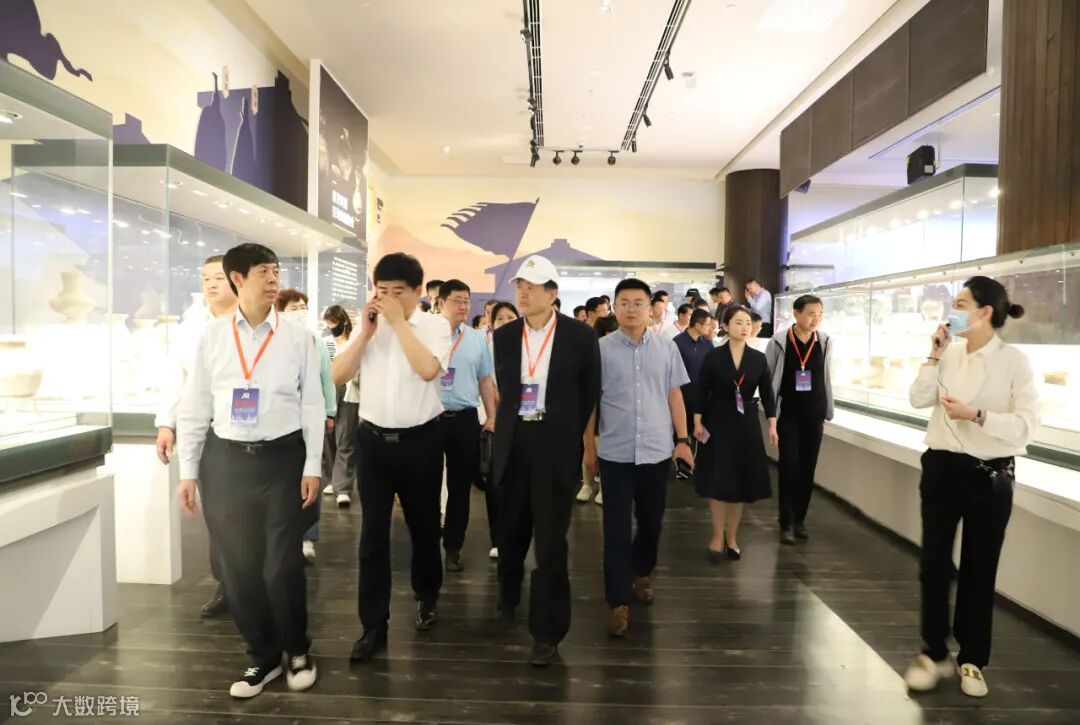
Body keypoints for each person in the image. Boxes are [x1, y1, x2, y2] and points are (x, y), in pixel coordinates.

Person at [177, 243, 322, 698]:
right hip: (225, 463)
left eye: (276, 270)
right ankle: (262, 655)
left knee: (281, 565)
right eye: (264, 271)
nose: (274, 279)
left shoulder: (298, 336)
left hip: (283, 460)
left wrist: (313, 466)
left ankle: (297, 650)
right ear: (238, 279)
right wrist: (187, 471)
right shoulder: (212, 336)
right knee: (238, 567)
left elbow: (313, 403)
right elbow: (195, 405)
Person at [902, 277, 1038, 699]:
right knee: (933, 563)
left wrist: (977, 415)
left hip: (989, 474)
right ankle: (933, 651)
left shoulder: (1014, 361)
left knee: (980, 568)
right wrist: (933, 354)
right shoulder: (949, 353)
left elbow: (1027, 425)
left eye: (961, 303)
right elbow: (918, 398)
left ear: (985, 312)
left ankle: (972, 659)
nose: (953, 310)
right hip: (941, 467)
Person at [331, 252, 452, 662]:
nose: (387, 299)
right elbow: (338, 375)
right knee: (372, 536)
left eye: (397, 292)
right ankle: (373, 625)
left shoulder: (435, 326)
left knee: (423, 528)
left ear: (418, 292)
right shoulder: (368, 325)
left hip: (422, 442)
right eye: (381, 291)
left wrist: (399, 324)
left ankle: (427, 595)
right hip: (373, 443)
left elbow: (427, 370)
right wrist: (364, 334)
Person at [490, 254, 600, 666]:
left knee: (551, 540)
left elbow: (588, 392)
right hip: (514, 441)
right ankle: (507, 595)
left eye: (531, 287)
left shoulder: (579, 336)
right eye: (520, 286)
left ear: (552, 294)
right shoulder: (504, 335)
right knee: (510, 530)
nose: (522, 293)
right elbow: (505, 390)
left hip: (554, 443)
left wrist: (571, 435)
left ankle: (548, 632)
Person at [598, 278, 693, 637]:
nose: (631, 309)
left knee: (651, 523)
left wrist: (682, 440)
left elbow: (674, 395)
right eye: (624, 302)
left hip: (656, 450)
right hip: (615, 451)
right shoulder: (601, 349)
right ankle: (618, 602)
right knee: (616, 528)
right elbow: (592, 401)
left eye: (638, 302)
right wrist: (589, 447)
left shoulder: (666, 347)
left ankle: (640, 572)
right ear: (615, 306)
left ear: (650, 307)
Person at [155, 254, 236, 619]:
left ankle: (254, 582)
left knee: (249, 514)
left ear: (237, 279)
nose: (211, 284)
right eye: (205, 278)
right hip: (207, 430)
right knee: (216, 513)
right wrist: (166, 423)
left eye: (218, 277)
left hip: (253, 432)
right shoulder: (192, 326)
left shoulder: (253, 322)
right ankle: (227, 584)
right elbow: (176, 376)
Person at [694, 306, 778, 562]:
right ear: (726, 325)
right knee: (718, 480)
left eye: (748, 323)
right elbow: (701, 389)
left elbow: (767, 393)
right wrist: (697, 421)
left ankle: (732, 537)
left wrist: (772, 423)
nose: (744, 327)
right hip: (718, 421)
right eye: (738, 322)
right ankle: (716, 536)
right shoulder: (713, 356)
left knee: (738, 484)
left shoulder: (758, 358)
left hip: (746, 423)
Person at [436, 279, 496, 572]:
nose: (463, 306)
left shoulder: (476, 339)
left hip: (464, 419)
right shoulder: (426, 334)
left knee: (460, 488)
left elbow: (485, 380)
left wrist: (492, 416)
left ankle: (453, 547)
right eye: (457, 300)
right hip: (429, 419)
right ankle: (427, 541)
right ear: (441, 303)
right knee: (425, 484)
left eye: (467, 301)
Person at [276, 289, 337, 565]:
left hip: (310, 418)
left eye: (303, 307)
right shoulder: (273, 339)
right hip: (281, 421)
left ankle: (308, 536)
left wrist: (329, 412)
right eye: (294, 308)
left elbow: (326, 378)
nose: (300, 312)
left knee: (311, 474)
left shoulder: (315, 340)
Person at [766, 294, 833, 545]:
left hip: (814, 414)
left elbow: (826, 376)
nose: (816, 319)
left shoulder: (824, 341)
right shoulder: (779, 341)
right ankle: (785, 521)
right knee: (789, 466)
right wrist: (771, 414)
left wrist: (828, 408)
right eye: (811, 314)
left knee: (807, 468)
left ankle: (799, 520)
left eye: (820, 314)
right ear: (796, 314)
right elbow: (768, 378)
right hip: (789, 414)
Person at [321, 305, 359, 508]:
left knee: (345, 437)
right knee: (328, 436)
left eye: (334, 323)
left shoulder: (353, 342)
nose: (331, 327)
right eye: (328, 323)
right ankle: (331, 479)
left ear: (343, 321)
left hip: (348, 391)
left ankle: (343, 487)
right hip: (327, 390)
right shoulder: (324, 342)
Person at [672, 309, 713, 464]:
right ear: (697, 325)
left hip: (702, 399)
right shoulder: (677, 343)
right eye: (707, 325)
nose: (710, 328)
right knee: (681, 435)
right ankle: (681, 467)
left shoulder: (707, 344)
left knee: (701, 436)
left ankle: (699, 466)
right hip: (682, 399)